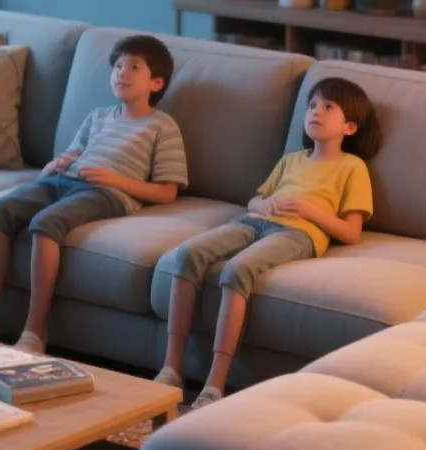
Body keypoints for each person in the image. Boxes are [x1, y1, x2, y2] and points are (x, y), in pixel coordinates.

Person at [155, 77, 379, 409]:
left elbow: (351, 232)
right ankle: (171, 369)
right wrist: (263, 204)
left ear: (350, 126)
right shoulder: (291, 160)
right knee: (188, 253)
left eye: (328, 107)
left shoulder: (352, 167)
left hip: (297, 234)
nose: (316, 111)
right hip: (254, 221)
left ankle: (214, 385)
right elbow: (255, 199)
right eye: (312, 105)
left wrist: (308, 209)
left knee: (237, 269)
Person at [0, 35, 188, 354]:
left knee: (46, 223)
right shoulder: (98, 116)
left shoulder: (162, 126)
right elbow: (73, 153)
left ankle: (34, 331)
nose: (122, 73)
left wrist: (116, 180)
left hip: (107, 192)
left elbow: (167, 191)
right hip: (64, 180)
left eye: (134, 67)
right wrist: (57, 164)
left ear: (156, 82)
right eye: (117, 66)